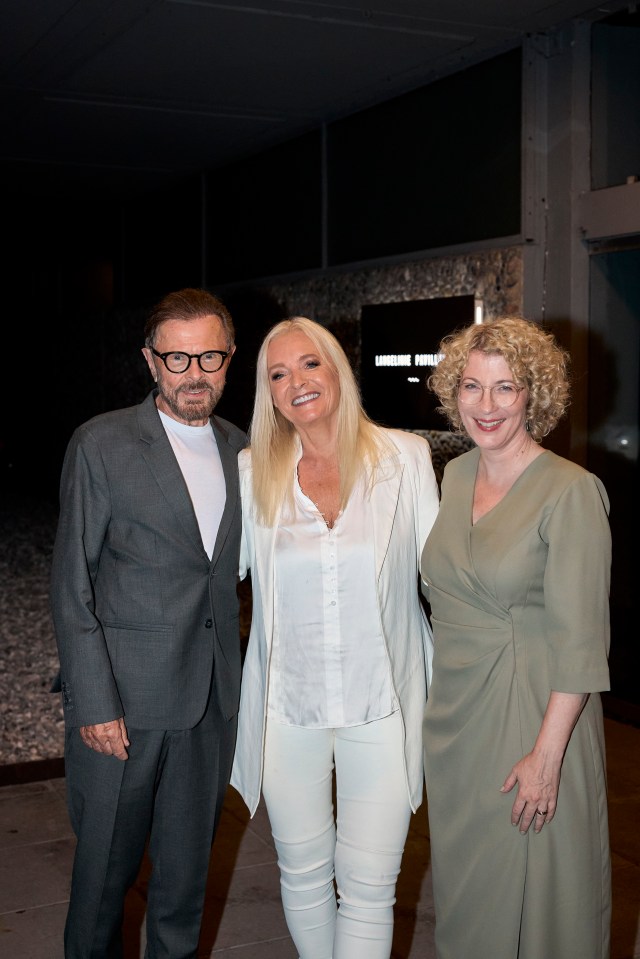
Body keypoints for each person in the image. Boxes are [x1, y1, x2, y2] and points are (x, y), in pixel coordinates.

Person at [230, 316, 439, 959]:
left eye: (310, 364)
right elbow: (203, 574)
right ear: (268, 393)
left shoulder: (405, 456)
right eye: (278, 373)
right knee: (303, 876)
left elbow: (446, 576)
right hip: (287, 707)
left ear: (336, 369)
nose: (297, 381)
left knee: (371, 887)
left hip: (380, 702)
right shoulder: (250, 470)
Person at [50, 288, 246, 958]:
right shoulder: (102, 444)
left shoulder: (243, 450)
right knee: (103, 886)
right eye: (177, 357)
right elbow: (71, 583)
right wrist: (94, 701)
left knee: (183, 888)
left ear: (230, 358)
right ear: (150, 360)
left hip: (210, 706)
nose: (195, 371)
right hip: (123, 713)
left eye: (209, 355)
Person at [421, 316, 611, 959]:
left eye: (506, 388)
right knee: (469, 901)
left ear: (535, 393)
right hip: (457, 725)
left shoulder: (572, 491)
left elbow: (583, 643)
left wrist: (547, 757)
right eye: (472, 387)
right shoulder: (454, 477)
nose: (486, 405)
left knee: (538, 898)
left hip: (533, 720)